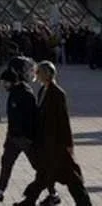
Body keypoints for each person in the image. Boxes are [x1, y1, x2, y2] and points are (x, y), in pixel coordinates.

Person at [14, 61, 92, 206]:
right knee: (44, 174)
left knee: (70, 177)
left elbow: (64, 121)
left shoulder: (57, 93)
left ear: (47, 74)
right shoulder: (43, 90)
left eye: (39, 72)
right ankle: (29, 201)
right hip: (46, 143)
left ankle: (84, 203)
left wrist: (69, 144)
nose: (36, 75)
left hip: (57, 145)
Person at [0, 69, 59, 204]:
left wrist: (29, 137)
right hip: (13, 137)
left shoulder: (25, 94)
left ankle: (53, 194)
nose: (3, 85)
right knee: (6, 163)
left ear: (12, 82)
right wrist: (9, 135)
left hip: (25, 138)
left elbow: (31, 118)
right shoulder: (15, 92)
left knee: (40, 167)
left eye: (5, 82)